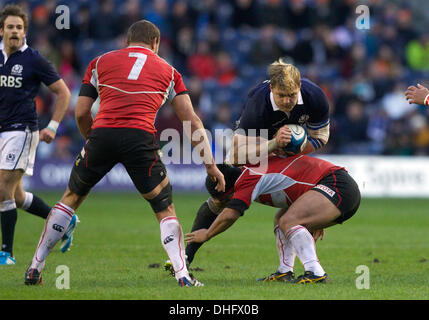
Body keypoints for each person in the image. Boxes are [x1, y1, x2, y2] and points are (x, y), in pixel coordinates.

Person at [24, 20, 225, 287]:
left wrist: (91, 141)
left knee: (70, 197)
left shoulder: (99, 62)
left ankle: (35, 268)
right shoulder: (170, 71)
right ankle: (183, 275)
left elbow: (82, 112)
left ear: (127, 41)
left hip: (102, 135)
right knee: (164, 208)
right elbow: (192, 121)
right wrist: (210, 166)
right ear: (156, 43)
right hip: (139, 138)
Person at [180, 59, 331, 269]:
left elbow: (321, 137)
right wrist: (274, 144)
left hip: (290, 153)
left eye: (292, 95)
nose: (287, 101)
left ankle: (288, 268)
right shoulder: (257, 104)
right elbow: (235, 157)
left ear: (300, 87)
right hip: (260, 147)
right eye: (281, 96)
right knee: (219, 190)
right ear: (271, 88)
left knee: (299, 210)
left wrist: (297, 147)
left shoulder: (315, 97)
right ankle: (185, 258)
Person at [185, 156, 361, 283]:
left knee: (289, 221)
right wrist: (314, 215)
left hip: (336, 185)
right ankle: (285, 271)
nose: (223, 205)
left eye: (224, 200)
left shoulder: (247, 179)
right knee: (281, 218)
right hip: (329, 188)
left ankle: (315, 272)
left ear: (230, 191)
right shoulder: (250, 169)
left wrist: (207, 234)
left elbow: (231, 214)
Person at [0, 5, 77, 265]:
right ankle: (64, 221)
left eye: (19, 27)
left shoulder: (33, 59)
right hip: (1, 131)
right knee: (17, 196)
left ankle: (6, 253)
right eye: (10, 27)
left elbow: (64, 92)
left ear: (25, 31)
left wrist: (53, 127)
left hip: (22, 131)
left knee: (2, 188)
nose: (14, 31)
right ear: (1, 30)